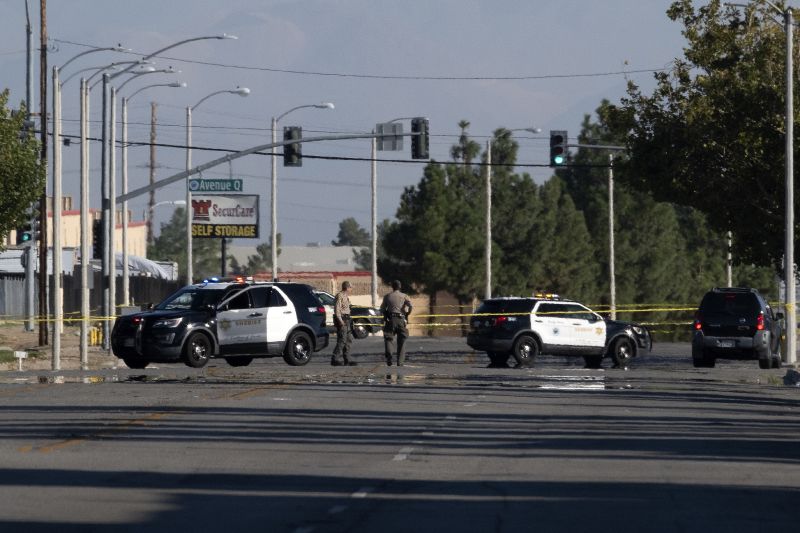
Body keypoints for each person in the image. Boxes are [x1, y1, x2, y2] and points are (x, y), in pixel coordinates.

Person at [380, 279, 413, 366]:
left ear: (392, 287)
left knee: (388, 338)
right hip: (401, 319)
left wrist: (385, 318)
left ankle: (389, 357)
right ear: (400, 287)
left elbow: (382, 309)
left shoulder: (387, 296)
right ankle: (400, 362)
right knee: (402, 340)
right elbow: (411, 306)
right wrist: (407, 314)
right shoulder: (405, 296)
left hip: (390, 320)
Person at [331, 280, 357, 366]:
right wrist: (340, 321)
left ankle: (347, 359)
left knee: (349, 340)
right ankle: (334, 359)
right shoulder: (340, 296)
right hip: (342, 320)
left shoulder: (346, 296)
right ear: (347, 287)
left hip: (347, 320)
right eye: (350, 287)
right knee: (342, 340)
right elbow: (337, 310)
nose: (351, 289)